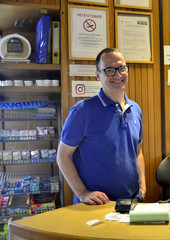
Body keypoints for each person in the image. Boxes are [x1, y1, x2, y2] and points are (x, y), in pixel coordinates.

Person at [57, 48, 146, 205]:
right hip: (95, 205)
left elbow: (138, 151)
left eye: (121, 68)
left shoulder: (135, 109)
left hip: (131, 201)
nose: (118, 75)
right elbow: (63, 156)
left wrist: (142, 187)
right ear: (98, 75)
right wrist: (82, 192)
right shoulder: (82, 111)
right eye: (110, 70)